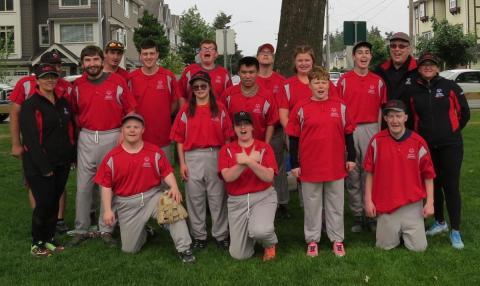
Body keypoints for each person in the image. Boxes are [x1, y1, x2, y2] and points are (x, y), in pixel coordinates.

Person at [95, 113, 195, 262]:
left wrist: (174, 187)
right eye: (128, 127)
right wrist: (108, 210)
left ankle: (185, 248)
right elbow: (106, 186)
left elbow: (166, 172)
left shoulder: (154, 151)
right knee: (129, 249)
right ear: (122, 130)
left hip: (152, 197)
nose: (132, 130)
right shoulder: (112, 157)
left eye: (136, 127)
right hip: (127, 204)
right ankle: (146, 233)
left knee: (172, 205)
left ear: (143, 130)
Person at [68, 45, 136, 247]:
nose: (92, 64)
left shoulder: (117, 82)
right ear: (82, 64)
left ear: (102, 60)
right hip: (87, 137)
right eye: (87, 61)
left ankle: (106, 228)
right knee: (83, 187)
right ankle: (81, 229)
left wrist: (123, 133)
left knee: (109, 185)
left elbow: (131, 109)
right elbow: (74, 113)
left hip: (112, 135)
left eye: (95, 60)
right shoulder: (77, 86)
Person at [400, 52, 470, 249]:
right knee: (433, 184)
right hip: (427, 146)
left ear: (438, 67)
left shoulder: (450, 87)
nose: (428, 67)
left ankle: (455, 230)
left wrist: (452, 131)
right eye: (424, 65)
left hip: (451, 145)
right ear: (419, 68)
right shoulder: (413, 91)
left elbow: (464, 113)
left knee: (451, 186)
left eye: (432, 64)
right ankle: (440, 222)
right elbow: (410, 118)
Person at [286, 66, 356, 257]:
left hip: (335, 164)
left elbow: (348, 133)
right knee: (312, 205)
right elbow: (293, 137)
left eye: (324, 82)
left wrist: (351, 158)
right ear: (309, 85)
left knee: (335, 204)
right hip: (310, 165)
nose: (320, 85)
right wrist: (294, 163)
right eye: (316, 82)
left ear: (329, 84)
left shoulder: (340, 106)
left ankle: (337, 239)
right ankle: (312, 240)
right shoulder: (301, 108)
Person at [9, 50, 72, 234]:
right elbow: (15, 113)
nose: (55, 69)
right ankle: (40, 221)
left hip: (59, 149)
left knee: (58, 186)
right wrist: (15, 143)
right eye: (50, 66)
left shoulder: (64, 87)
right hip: (35, 145)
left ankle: (57, 221)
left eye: (58, 65)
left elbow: (67, 119)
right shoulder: (26, 85)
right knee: (37, 185)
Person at [170, 71, 233, 250]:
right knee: (194, 198)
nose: (199, 89)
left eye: (203, 86)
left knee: (217, 196)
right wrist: (182, 163)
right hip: (192, 156)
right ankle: (199, 235)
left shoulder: (219, 108)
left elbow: (228, 137)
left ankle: (221, 234)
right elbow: (179, 139)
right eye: (195, 87)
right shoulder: (186, 110)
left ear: (210, 87)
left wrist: (226, 160)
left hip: (216, 154)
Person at [364, 100, 435, 251]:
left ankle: (405, 231)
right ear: (385, 119)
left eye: (398, 116)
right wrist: (368, 200)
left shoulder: (418, 142)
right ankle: (396, 232)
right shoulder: (376, 142)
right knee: (384, 247)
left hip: (412, 204)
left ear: (406, 118)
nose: (394, 120)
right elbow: (369, 173)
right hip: (386, 203)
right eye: (390, 116)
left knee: (419, 248)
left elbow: (428, 176)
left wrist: (429, 203)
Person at [19, 64, 75, 257]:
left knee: (53, 203)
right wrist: (44, 167)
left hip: (62, 162)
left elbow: (70, 131)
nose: (49, 80)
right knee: (43, 204)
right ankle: (37, 243)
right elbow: (31, 140)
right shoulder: (30, 105)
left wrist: (71, 156)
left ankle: (49, 239)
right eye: (45, 77)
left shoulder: (63, 103)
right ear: (37, 80)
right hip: (40, 165)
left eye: (53, 76)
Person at [336, 41, 386, 232]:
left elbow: (382, 109)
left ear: (370, 57)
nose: (364, 56)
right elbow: (339, 110)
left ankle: (370, 213)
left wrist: (380, 134)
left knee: (370, 172)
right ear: (353, 57)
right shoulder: (344, 81)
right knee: (352, 173)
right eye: (360, 53)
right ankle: (357, 215)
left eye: (367, 53)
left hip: (371, 128)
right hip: (350, 130)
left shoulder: (378, 81)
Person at [278, 45, 338, 206]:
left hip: (324, 135)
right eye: (300, 60)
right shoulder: (288, 85)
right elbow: (283, 114)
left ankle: (326, 213)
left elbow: (336, 107)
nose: (303, 63)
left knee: (325, 169)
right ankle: (309, 208)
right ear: (294, 62)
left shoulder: (324, 83)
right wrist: (293, 133)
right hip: (298, 136)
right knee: (302, 171)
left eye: (307, 60)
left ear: (313, 61)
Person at [218, 111, 278, 261]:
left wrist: (249, 162)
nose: (242, 128)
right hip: (237, 202)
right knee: (239, 255)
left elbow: (269, 176)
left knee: (261, 231)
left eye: (246, 124)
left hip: (263, 197)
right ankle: (252, 234)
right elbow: (228, 177)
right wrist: (247, 161)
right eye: (238, 125)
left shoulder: (264, 148)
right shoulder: (227, 150)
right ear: (234, 128)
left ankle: (269, 243)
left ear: (252, 127)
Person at [128, 39, 181, 163]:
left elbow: (174, 103)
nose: (148, 57)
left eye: (151, 53)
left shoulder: (168, 76)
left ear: (157, 55)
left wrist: (163, 116)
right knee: (142, 177)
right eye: (145, 54)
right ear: (140, 56)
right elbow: (128, 106)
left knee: (164, 177)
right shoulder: (131, 78)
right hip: (139, 138)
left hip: (163, 138)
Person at [256, 43, 290, 219]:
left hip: (276, 130)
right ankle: (260, 201)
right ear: (257, 57)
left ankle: (281, 202)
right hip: (254, 130)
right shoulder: (252, 78)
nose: (266, 55)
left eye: (269, 53)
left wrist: (285, 133)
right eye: (263, 53)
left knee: (277, 166)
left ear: (273, 58)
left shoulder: (281, 81)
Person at [220, 56, 278, 143]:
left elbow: (271, 123)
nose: (247, 76)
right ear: (238, 73)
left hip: (257, 148)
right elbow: (222, 121)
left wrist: (265, 146)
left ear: (257, 72)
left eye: (251, 72)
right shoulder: (228, 94)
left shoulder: (267, 96)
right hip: (233, 147)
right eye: (244, 72)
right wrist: (227, 146)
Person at [178, 39, 231, 105]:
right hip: (193, 113)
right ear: (200, 53)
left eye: (211, 48)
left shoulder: (224, 73)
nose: (207, 50)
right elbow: (180, 94)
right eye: (204, 48)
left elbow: (229, 97)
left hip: (216, 113)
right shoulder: (189, 70)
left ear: (216, 54)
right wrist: (184, 112)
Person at [374, 32, 417, 100]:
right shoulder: (380, 70)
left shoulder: (418, 69)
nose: (397, 49)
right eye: (393, 46)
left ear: (409, 49)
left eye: (401, 46)